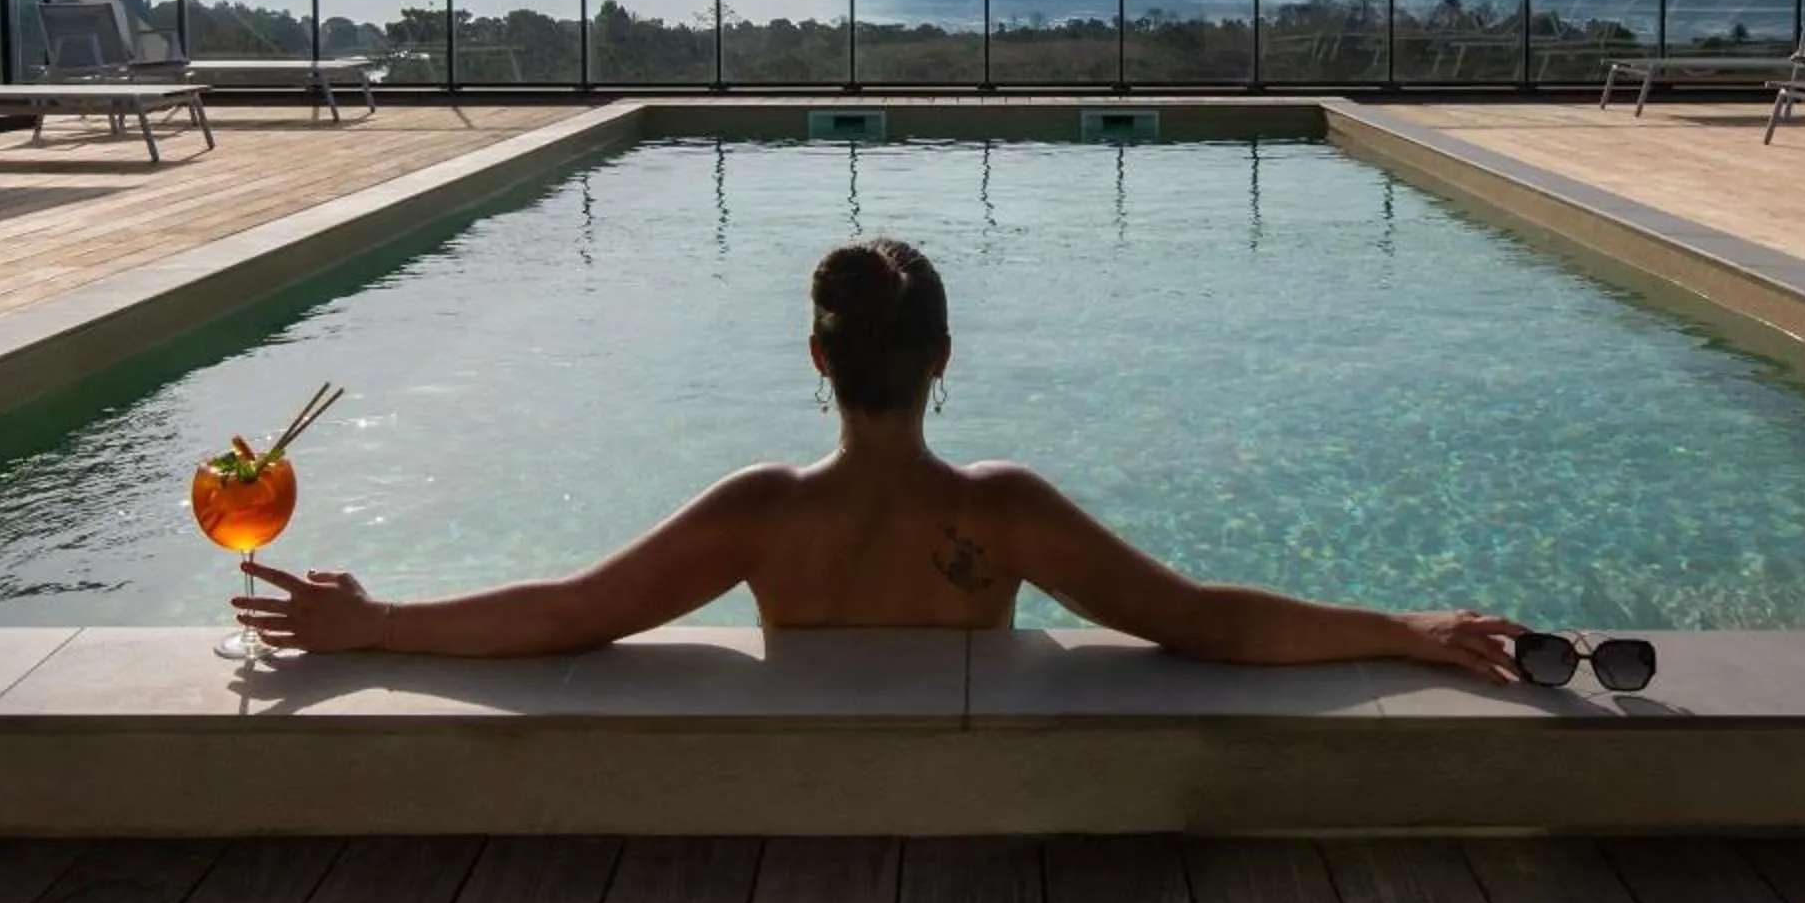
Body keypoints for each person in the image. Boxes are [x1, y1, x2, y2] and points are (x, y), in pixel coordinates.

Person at [235, 236, 1525, 680]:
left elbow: (572, 615)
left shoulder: (758, 514)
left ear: (816, 359)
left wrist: (382, 623)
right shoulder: (1006, 511)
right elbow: (1202, 623)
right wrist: (1399, 628)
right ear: (944, 361)